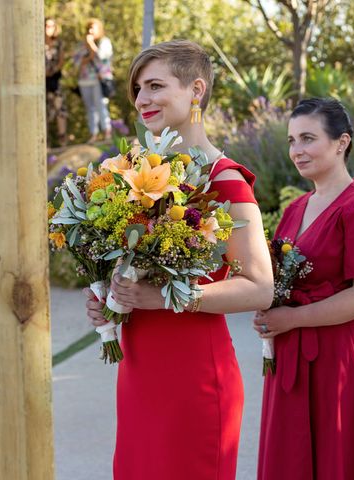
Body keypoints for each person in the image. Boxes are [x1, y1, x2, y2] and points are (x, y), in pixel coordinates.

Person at [84, 40, 274, 479]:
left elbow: (259, 286)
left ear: (196, 90)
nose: (142, 98)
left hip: (193, 378)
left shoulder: (225, 182)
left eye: (154, 85)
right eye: (137, 88)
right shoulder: (133, 175)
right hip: (139, 375)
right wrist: (110, 298)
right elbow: (130, 268)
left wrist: (164, 297)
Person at [255, 97, 354, 480]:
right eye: (291, 141)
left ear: (341, 143)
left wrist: (292, 318)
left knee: (340, 461)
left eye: (307, 138)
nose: (296, 151)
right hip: (290, 354)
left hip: (340, 357)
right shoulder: (296, 207)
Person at [73, 18, 113, 143]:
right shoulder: (80, 45)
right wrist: (88, 55)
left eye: (93, 28)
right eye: (88, 28)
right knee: (90, 108)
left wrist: (91, 45)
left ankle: (107, 132)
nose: (90, 31)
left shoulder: (104, 42)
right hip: (84, 80)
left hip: (99, 80)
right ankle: (93, 134)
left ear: (99, 29)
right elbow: (77, 62)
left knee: (101, 105)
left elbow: (102, 58)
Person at [45, 18, 68, 146]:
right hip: (41, 83)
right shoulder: (38, 42)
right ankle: (45, 144)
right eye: (46, 26)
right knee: (45, 112)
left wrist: (52, 71)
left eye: (51, 26)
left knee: (60, 110)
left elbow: (61, 61)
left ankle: (62, 139)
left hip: (55, 81)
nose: (48, 28)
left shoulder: (58, 43)